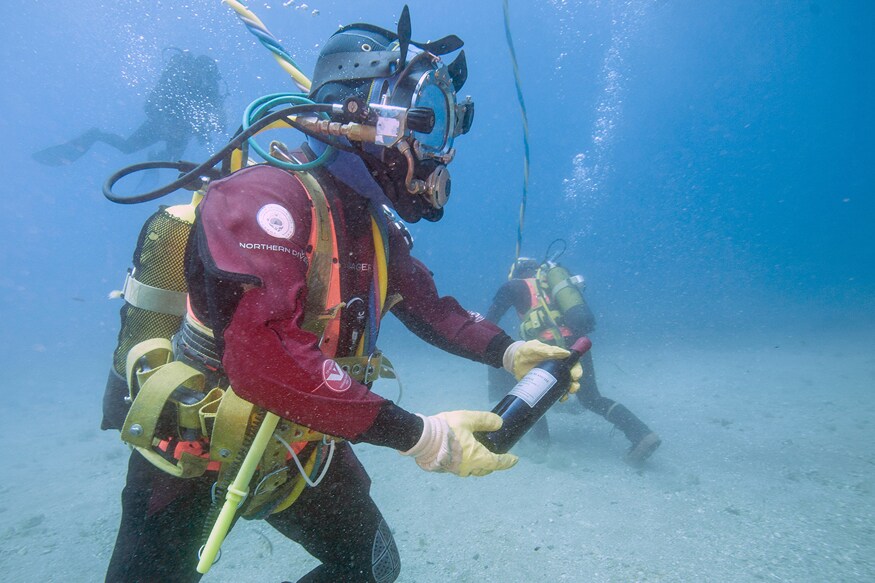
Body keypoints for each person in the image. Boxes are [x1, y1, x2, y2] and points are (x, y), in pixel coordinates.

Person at [100, 10, 581, 583]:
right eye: (428, 127)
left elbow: (432, 310)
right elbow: (261, 357)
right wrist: (423, 438)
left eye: (447, 131)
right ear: (366, 112)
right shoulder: (260, 197)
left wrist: (507, 352)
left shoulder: (373, 227)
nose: (441, 153)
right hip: (192, 448)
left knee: (371, 566)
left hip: (300, 444)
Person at [486, 255, 661, 463]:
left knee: (531, 397)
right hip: (578, 346)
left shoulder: (512, 286)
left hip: (546, 349)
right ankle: (641, 434)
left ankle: (540, 448)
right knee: (592, 398)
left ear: (515, 273)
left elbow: (489, 323)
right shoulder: (556, 286)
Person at [33, 49, 226, 166]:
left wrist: (201, 132)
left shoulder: (207, 89)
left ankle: (155, 157)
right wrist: (167, 124)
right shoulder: (178, 80)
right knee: (133, 149)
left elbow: (217, 119)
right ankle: (95, 135)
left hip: (174, 128)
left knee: (171, 157)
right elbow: (152, 104)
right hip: (163, 124)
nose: (195, 79)